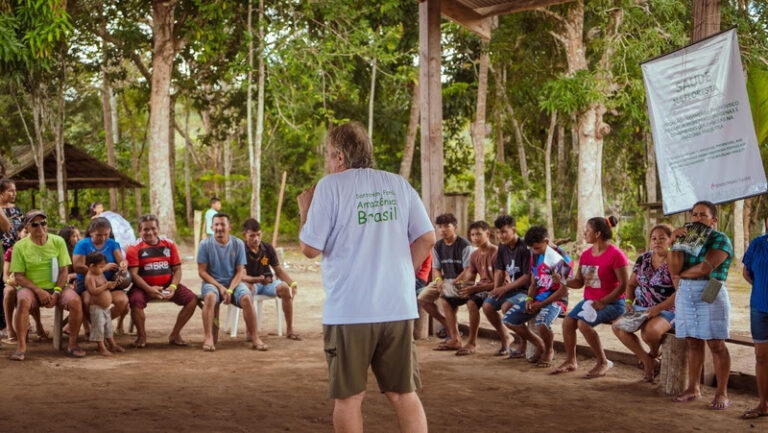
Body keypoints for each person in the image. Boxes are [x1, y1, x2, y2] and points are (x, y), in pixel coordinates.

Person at [298, 121, 434, 433]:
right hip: (397, 308)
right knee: (403, 393)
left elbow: (309, 248)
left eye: (328, 155)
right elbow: (427, 238)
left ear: (340, 157)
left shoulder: (330, 186)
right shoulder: (398, 184)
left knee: (349, 398)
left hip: (350, 311)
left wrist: (305, 211)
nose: (327, 162)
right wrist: (403, 274)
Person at [668, 201, 733, 410]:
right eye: (694, 215)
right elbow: (673, 268)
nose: (697, 219)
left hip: (711, 287)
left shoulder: (720, 239)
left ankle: (722, 392)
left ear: (714, 220)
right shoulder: (686, 239)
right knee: (693, 341)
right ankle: (693, 388)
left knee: (716, 343)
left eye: (703, 215)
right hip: (686, 291)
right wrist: (673, 242)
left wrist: (681, 275)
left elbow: (705, 268)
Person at [553, 216, 630, 378]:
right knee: (568, 322)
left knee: (583, 324)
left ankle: (603, 362)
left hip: (614, 303)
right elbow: (579, 282)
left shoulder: (616, 255)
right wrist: (562, 279)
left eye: (587, 230)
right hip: (590, 302)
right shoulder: (585, 255)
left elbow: (624, 285)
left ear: (597, 234)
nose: (584, 233)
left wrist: (603, 301)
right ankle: (571, 361)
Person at [9, 210, 85, 360]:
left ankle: (73, 344)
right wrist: (39, 291)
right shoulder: (19, 246)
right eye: (35, 224)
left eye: (43, 223)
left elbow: (64, 271)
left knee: (76, 301)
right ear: (27, 227)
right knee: (23, 300)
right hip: (31, 289)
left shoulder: (58, 241)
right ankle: (21, 347)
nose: (40, 227)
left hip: (57, 286)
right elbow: (18, 276)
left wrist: (56, 292)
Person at [612, 224, 676, 382]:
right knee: (618, 327)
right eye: (654, 238)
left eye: (662, 238)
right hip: (642, 306)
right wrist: (628, 301)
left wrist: (658, 309)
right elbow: (631, 284)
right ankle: (648, 361)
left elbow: (680, 292)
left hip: (669, 308)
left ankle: (654, 353)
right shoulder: (644, 259)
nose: (657, 241)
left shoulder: (675, 260)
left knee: (650, 332)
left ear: (671, 240)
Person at [503, 226, 572, 367]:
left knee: (541, 323)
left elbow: (564, 290)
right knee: (509, 320)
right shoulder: (534, 254)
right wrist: (529, 299)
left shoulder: (562, 258)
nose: (534, 251)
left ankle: (549, 350)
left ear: (546, 241)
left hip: (557, 300)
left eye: (537, 248)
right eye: (532, 248)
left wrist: (541, 304)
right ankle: (540, 345)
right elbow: (534, 282)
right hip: (538, 298)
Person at [126, 214, 198, 348]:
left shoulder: (169, 244)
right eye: (145, 229)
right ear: (139, 231)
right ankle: (141, 336)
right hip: (143, 287)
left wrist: (173, 287)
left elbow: (177, 269)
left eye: (153, 228)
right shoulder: (134, 247)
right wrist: (149, 289)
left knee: (192, 300)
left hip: (167, 285)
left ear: (158, 229)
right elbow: (133, 274)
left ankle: (175, 334)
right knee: (135, 301)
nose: (150, 232)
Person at [198, 213, 264, 351]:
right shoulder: (204, 244)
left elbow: (240, 271)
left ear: (230, 227)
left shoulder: (237, 244)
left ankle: (254, 337)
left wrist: (230, 289)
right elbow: (202, 272)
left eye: (223, 224)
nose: (219, 228)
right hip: (212, 283)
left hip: (233, 283)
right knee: (210, 297)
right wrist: (220, 287)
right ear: (211, 227)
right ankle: (208, 337)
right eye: (216, 225)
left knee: (246, 297)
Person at [437, 220, 500, 356]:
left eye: (479, 234)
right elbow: (470, 276)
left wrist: (473, 290)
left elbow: (498, 284)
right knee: (445, 298)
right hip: (480, 288)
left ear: (487, 234)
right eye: (472, 235)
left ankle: (472, 343)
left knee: (472, 302)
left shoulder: (496, 252)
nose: (475, 238)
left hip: (496, 288)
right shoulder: (475, 254)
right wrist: (461, 287)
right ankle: (455, 339)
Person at [241, 218, 301, 340]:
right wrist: (256, 279)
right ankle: (250, 332)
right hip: (250, 283)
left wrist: (292, 283)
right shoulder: (240, 249)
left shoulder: (267, 248)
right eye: (252, 236)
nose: (256, 239)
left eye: (258, 235)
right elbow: (241, 275)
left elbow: (278, 270)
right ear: (244, 235)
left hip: (266, 283)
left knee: (284, 288)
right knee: (248, 290)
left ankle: (290, 330)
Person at [417, 213, 472, 339]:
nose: (443, 230)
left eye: (447, 226)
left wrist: (451, 283)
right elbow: (436, 268)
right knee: (422, 298)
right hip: (445, 280)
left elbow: (468, 270)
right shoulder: (438, 246)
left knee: (446, 295)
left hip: (461, 281)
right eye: (440, 227)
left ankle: (453, 336)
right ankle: (447, 324)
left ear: (455, 227)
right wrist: (438, 281)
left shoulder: (465, 245)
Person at [484, 215, 531, 357]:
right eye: (498, 232)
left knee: (507, 307)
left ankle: (524, 342)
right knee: (487, 306)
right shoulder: (502, 247)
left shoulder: (525, 247)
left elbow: (527, 277)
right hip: (512, 289)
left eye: (504, 232)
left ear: (514, 230)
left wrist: (504, 289)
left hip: (527, 291)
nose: (500, 236)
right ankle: (505, 337)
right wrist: (496, 289)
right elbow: (499, 270)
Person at [72, 218, 129, 331]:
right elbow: (78, 267)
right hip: (88, 286)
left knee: (122, 301)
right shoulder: (82, 244)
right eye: (99, 235)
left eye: (106, 234)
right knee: (87, 302)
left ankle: (100, 325)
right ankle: (97, 328)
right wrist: (102, 269)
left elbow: (121, 260)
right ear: (91, 232)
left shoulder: (112, 244)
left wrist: (123, 265)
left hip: (110, 284)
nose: (103, 238)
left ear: (110, 232)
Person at [2, 226, 46, 344]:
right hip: (14, 283)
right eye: (25, 232)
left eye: (30, 232)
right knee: (9, 291)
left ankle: (38, 325)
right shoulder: (11, 251)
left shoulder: (39, 250)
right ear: (19, 233)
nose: (28, 235)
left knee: (30, 290)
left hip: (31, 283)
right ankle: (10, 328)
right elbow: (5, 276)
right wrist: (11, 281)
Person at [742, 232, 768, 419]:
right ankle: (763, 404)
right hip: (759, 307)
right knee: (761, 356)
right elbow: (747, 273)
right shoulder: (757, 244)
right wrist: (762, 289)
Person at [84, 251, 124, 356]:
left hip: (105, 307)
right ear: (91, 266)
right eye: (101, 267)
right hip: (96, 308)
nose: (103, 269)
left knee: (108, 326)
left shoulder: (99, 273)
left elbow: (106, 284)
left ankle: (112, 344)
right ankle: (101, 347)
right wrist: (106, 286)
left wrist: (113, 284)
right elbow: (93, 291)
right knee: (99, 327)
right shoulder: (90, 277)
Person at [0, 178, 23, 338]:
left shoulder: (16, 209)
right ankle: (4, 325)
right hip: (2, 251)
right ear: (1, 193)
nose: (14, 194)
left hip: (15, 251)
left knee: (16, 285)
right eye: (10, 191)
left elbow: (19, 228)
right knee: (3, 287)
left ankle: (19, 324)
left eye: (15, 191)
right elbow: (6, 228)